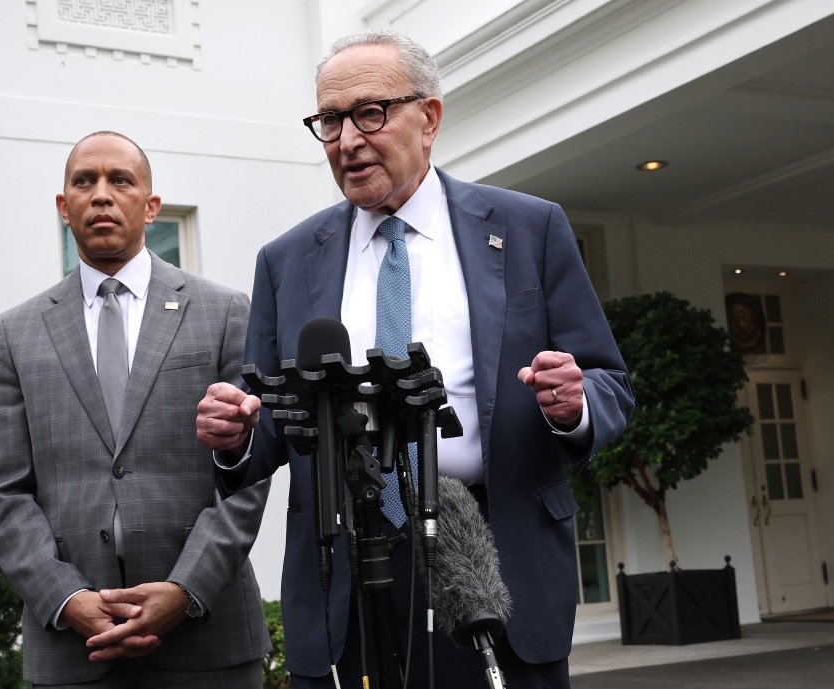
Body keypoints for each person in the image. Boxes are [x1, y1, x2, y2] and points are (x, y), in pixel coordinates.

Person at [196, 30, 635, 689]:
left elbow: (610, 383)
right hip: (345, 567)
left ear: (429, 118)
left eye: (370, 113)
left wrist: (575, 404)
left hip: (492, 559)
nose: (347, 140)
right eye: (330, 121)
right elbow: (270, 423)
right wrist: (235, 437)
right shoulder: (286, 260)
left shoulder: (528, 229)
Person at [0, 131, 271, 688]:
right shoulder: (15, 333)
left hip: (208, 641)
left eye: (120, 181)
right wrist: (64, 597)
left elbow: (248, 471)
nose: (101, 194)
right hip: (73, 649)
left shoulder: (224, 312)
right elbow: (2, 489)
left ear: (151, 205)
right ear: (64, 207)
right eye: (84, 182)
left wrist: (185, 589)